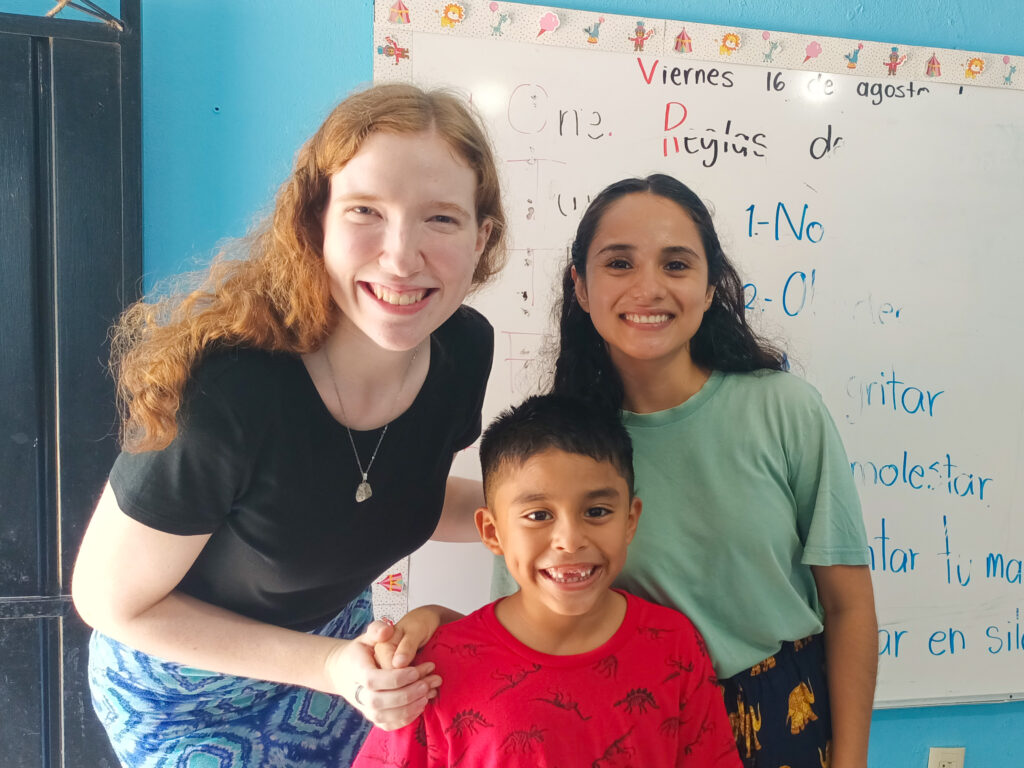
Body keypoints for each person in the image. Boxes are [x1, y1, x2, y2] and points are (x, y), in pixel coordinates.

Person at [71, 83, 506, 768]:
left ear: (481, 238)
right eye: (367, 210)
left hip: (335, 654)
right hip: (185, 689)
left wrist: (539, 520)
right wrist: (329, 668)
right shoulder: (227, 396)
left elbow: (401, 488)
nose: (401, 256)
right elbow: (109, 603)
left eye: (441, 220)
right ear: (316, 222)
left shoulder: (464, 351)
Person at [495, 174, 877, 768]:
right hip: (626, 726)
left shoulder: (786, 410)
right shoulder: (550, 451)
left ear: (709, 287)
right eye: (619, 263)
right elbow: (522, 623)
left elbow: (849, 607)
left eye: (676, 264)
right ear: (581, 287)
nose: (648, 289)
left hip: (785, 715)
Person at [353, 395, 742, 768]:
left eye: (597, 511)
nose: (570, 541)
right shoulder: (430, 670)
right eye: (538, 516)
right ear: (492, 532)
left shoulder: (674, 645)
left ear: (630, 521)